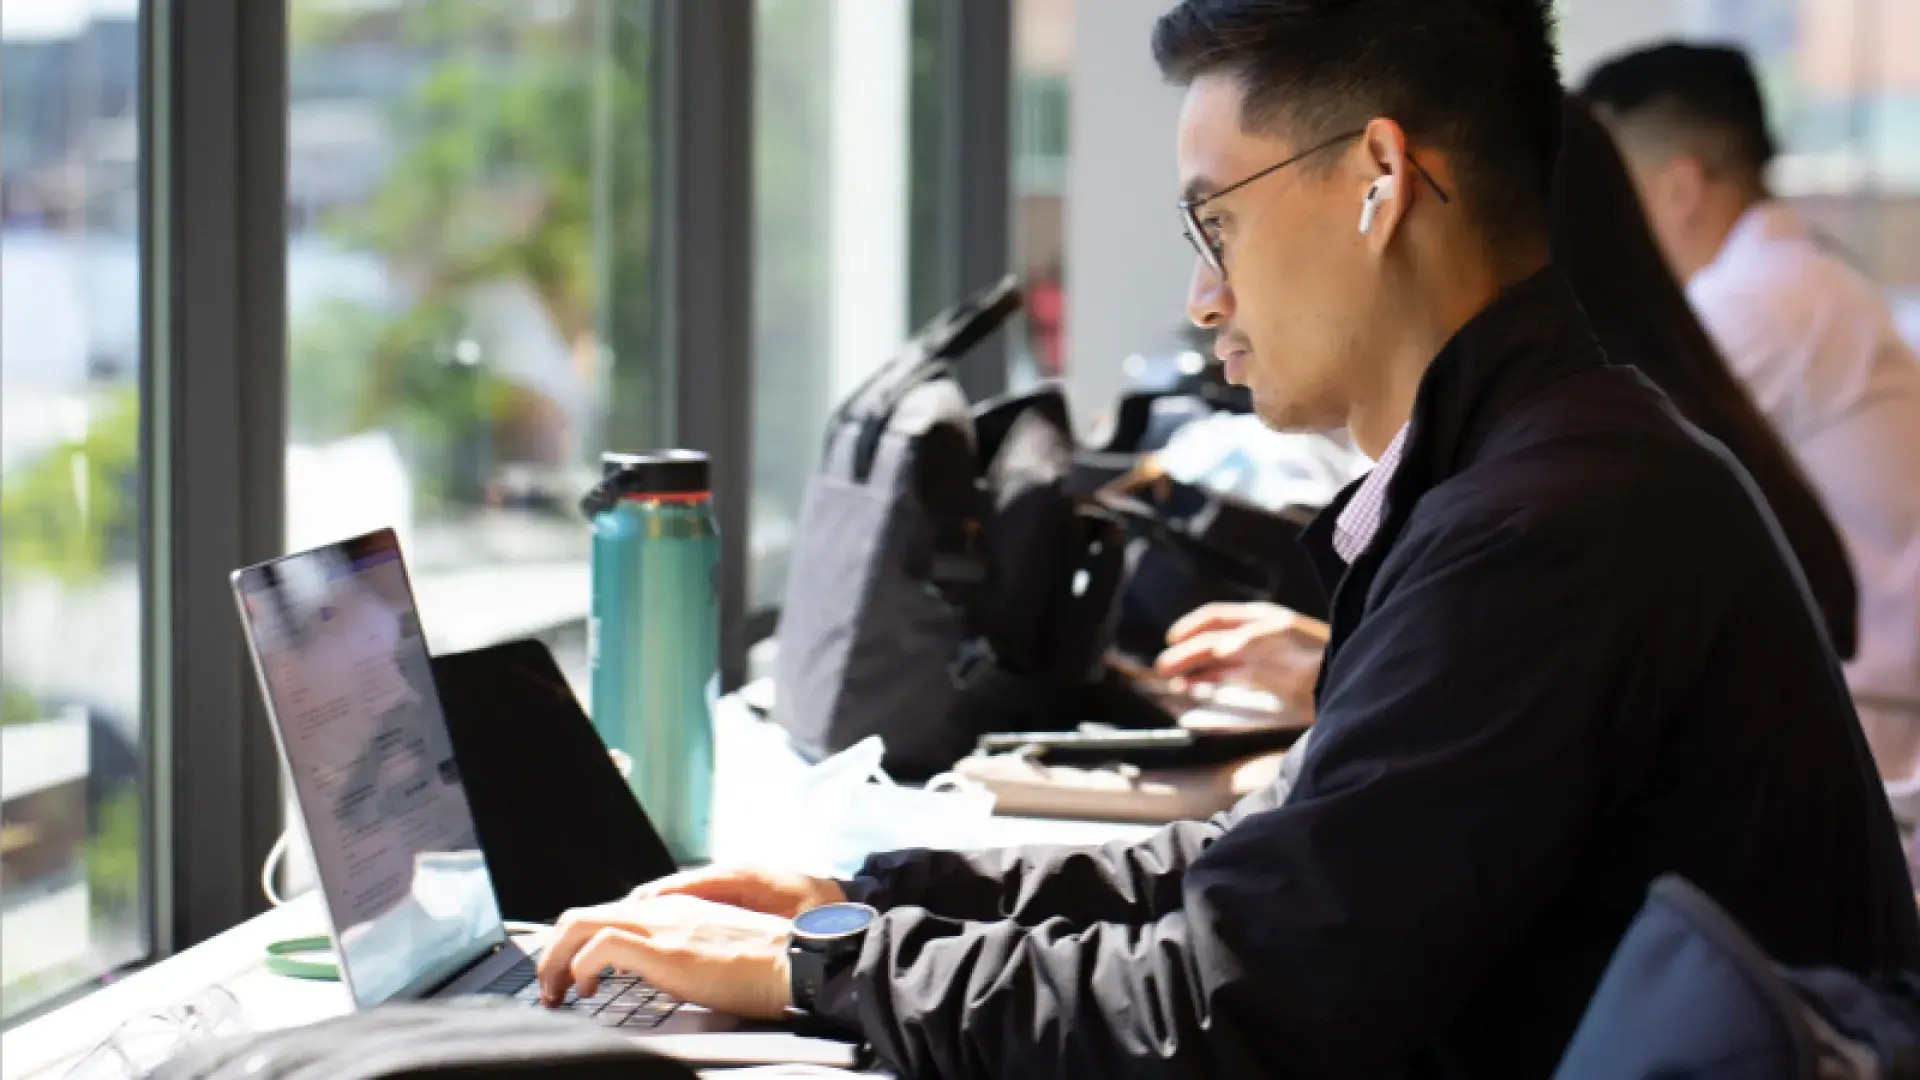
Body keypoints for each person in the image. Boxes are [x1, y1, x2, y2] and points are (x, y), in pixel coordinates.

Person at [536, 3, 1920, 1075]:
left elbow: (1218, 1016)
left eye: (1217, 220)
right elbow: (1268, 877)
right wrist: (855, 892)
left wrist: (815, 965)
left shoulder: (1545, 527)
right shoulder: (1543, 467)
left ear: (1380, 177)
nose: (1205, 297)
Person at [1162, 94, 1867, 725]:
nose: (1206, 298)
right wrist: (1356, 678)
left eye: (1222, 224)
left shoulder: (1566, 491)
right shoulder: (1625, 427)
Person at [1581, 43, 1920, 825]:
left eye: (1607, 196)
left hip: (1862, 734)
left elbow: (1615, 503)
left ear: (1680, 186)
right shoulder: (1802, 278)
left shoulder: (1761, 303)